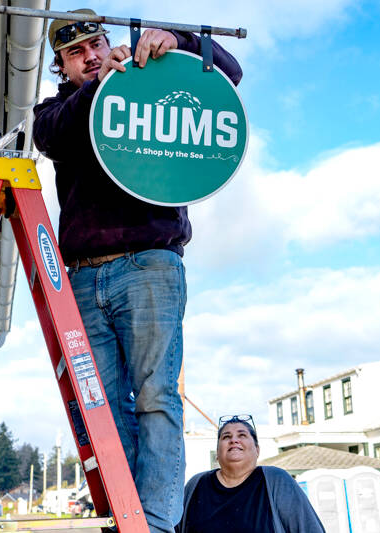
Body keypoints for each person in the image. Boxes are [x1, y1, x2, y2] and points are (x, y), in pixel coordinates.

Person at [31, 10, 242, 533]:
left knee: (156, 396)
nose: (92, 55)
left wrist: (177, 40)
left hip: (150, 262)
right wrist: (97, 87)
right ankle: (127, 514)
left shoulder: (150, 78)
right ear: (62, 66)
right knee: (101, 406)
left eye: (97, 44)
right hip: (82, 274)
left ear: (108, 41)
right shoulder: (59, 109)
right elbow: (51, 135)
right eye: (77, 54)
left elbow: (227, 71)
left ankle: (155, 523)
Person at [175, 415, 325, 533]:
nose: (234, 440)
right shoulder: (196, 485)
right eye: (226, 437)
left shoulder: (276, 481)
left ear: (257, 450)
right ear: (217, 454)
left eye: (242, 435)